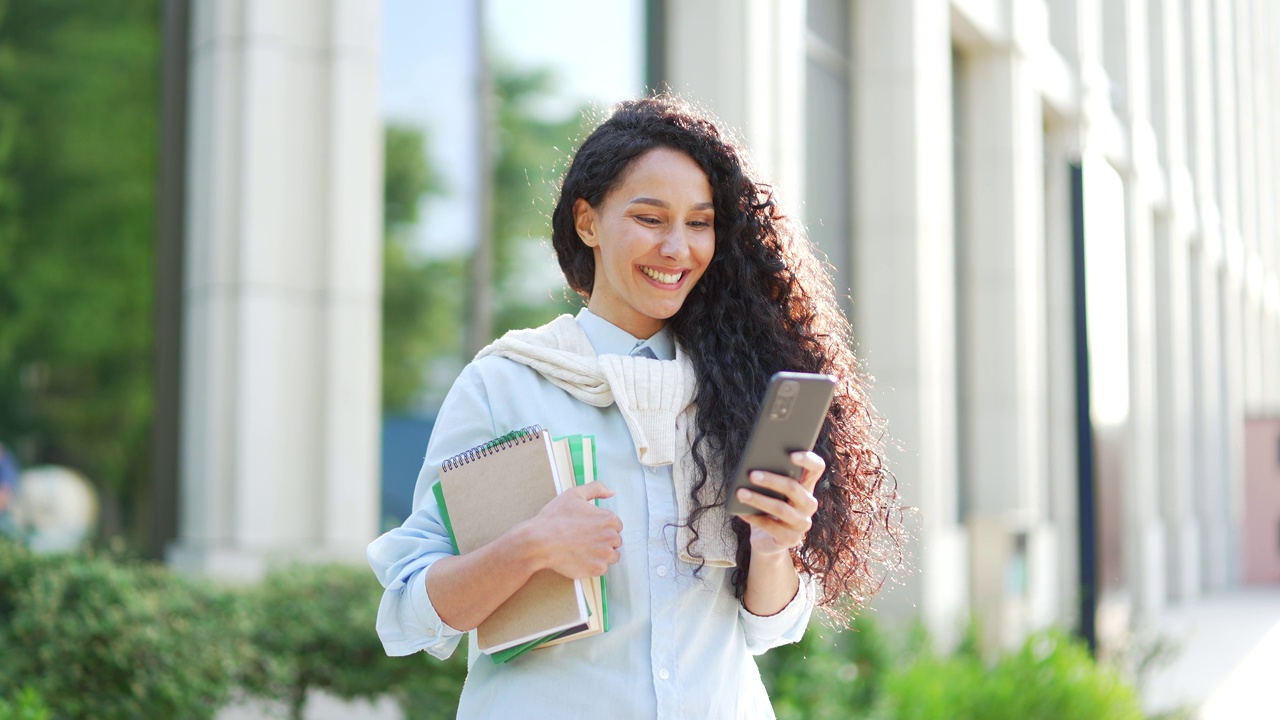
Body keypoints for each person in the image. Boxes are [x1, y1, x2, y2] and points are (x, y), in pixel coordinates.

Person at [368, 94, 900, 718]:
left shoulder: (738, 391)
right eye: (650, 218)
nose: (678, 248)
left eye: (699, 223)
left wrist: (774, 544)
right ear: (587, 222)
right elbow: (407, 616)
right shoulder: (506, 384)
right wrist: (532, 547)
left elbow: (768, 630)